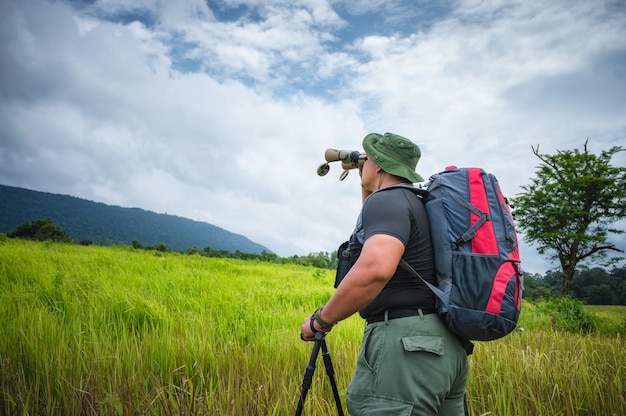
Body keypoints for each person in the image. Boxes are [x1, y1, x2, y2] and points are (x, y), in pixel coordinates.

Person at [300, 132, 469, 415]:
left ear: (378, 165)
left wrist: (321, 320)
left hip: (405, 348)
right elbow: (373, 227)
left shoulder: (388, 202)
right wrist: (366, 181)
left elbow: (375, 269)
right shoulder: (418, 203)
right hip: (447, 347)